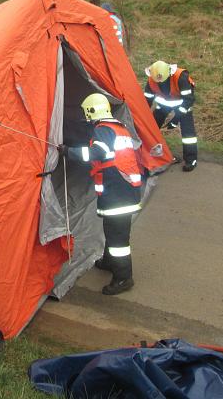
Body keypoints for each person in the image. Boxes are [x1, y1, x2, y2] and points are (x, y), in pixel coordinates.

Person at [59, 94, 142, 295]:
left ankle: (123, 277)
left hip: (118, 193)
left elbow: (96, 154)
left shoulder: (103, 131)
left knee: (118, 239)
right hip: (123, 191)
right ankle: (109, 261)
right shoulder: (117, 128)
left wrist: (69, 152)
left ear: (92, 111)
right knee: (112, 230)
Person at [143, 60, 198, 172]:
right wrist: (144, 117)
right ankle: (151, 152)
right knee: (152, 127)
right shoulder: (151, 79)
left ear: (169, 73)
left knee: (188, 134)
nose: (160, 83)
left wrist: (175, 119)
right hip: (164, 105)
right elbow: (146, 100)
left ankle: (190, 159)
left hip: (183, 105)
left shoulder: (181, 77)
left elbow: (189, 100)